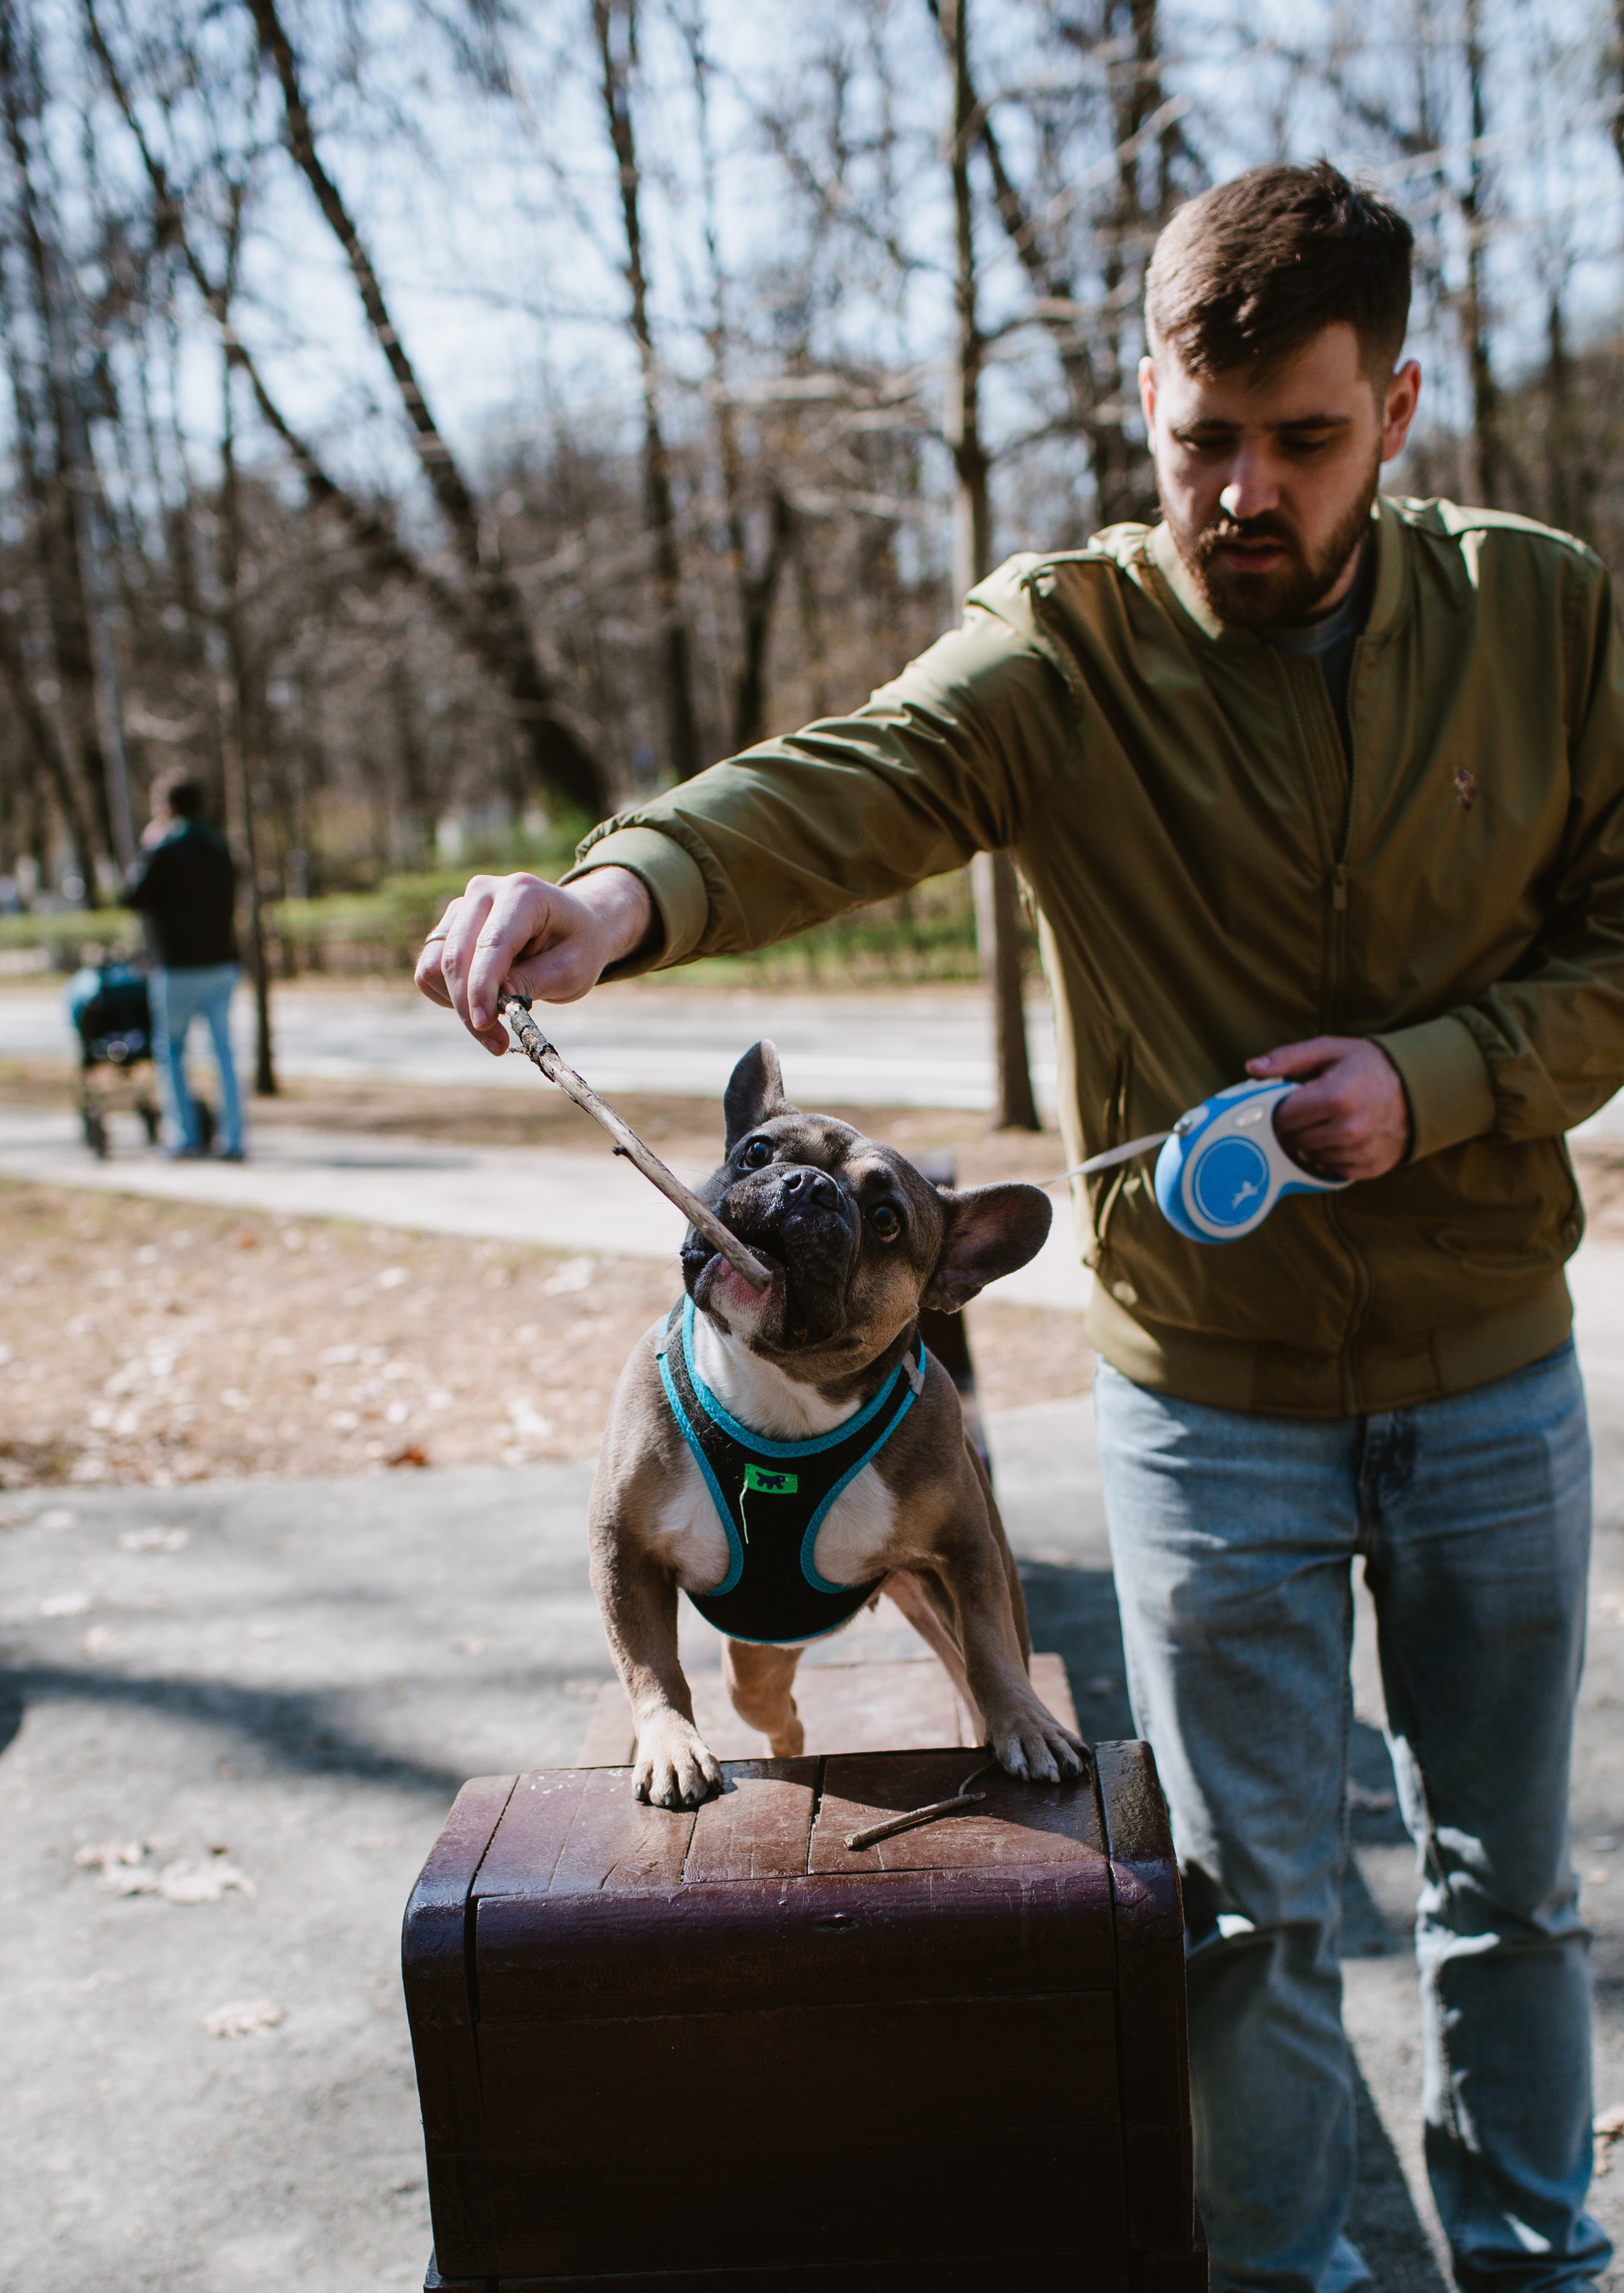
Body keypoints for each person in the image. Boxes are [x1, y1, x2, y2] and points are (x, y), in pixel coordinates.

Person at [416, 162, 1622, 2293]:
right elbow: (851, 776)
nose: (1242, 490)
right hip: (1208, 1411)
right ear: (1142, 397)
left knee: (1504, 1892)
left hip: (1493, 1376)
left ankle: (1533, 2260)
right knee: (1241, 1902)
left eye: (1303, 441)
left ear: (1403, 408)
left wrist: (1426, 1083)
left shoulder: (1549, 614)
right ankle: (1288, 2277)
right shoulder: (1062, 645)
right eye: (1198, 438)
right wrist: (613, 897)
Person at [124, 774, 244, 1161]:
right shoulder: (218, 844)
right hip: (222, 963)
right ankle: (234, 1138)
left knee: (172, 1052)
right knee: (224, 1053)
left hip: (176, 966)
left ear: (168, 807)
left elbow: (132, 896)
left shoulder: (165, 847)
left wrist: (148, 848)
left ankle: (185, 1137)